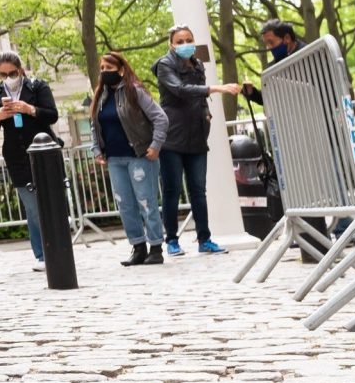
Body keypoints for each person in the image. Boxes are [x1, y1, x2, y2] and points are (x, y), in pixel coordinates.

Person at [154, 25, 245, 257]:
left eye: (189, 40)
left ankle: (205, 239)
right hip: (172, 137)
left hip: (196, 135)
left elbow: (196, 97)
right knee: (172, 190)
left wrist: (206, 113)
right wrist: (215, 88)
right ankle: (172, 240)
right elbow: (180, 90)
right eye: (180, 40)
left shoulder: (197, 64)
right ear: (171, 44)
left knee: (198, 190)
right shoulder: (165, 65)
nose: (185, 44)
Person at [90, 52, 171, 267]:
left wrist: (155, 146)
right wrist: (97, 149)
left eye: (109, 67)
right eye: (102, 68)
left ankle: (155, 247)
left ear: (121, 69)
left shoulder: (134, 91)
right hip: (115, 159)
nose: (104, 72)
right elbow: (94, 124)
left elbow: (160, 118)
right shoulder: (100, 95)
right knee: (125, 205)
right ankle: (138, 246)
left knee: (146, 202)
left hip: (139, 156)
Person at [0, 51, 60, 270]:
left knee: (49, 201)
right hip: (16, 155)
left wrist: (30, 109)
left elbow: (52, 115)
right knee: (32, 206)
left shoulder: (37, 87)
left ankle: (55, 246)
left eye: (12, 73)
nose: (8, 77)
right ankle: (43, 255)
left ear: (20, 69)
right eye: (3, 74)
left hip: (43, 151)